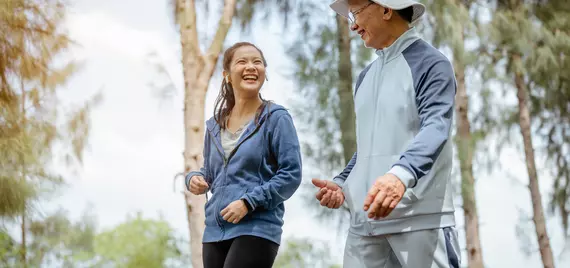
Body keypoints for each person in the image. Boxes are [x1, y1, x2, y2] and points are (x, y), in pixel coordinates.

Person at [312, 0, 461, 267]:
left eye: (356, 13)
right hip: (364, 225)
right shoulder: (365, 77)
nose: (354, 25)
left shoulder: (432, 64)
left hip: (420, 221)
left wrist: (399, 176)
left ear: (385, 9)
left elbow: (436, 126)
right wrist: (343, 183)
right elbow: (369, 147)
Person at [185, 42, 303, 268]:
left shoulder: (276, 118)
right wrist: (195, 179)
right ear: (227, 75)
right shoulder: (214, 126)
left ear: (264, 73)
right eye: (242, 62)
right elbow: (212, 173)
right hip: (214, 231)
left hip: (256, 227)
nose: (251, 67)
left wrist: (249, 202)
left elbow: (291, 174)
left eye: (257, 62)